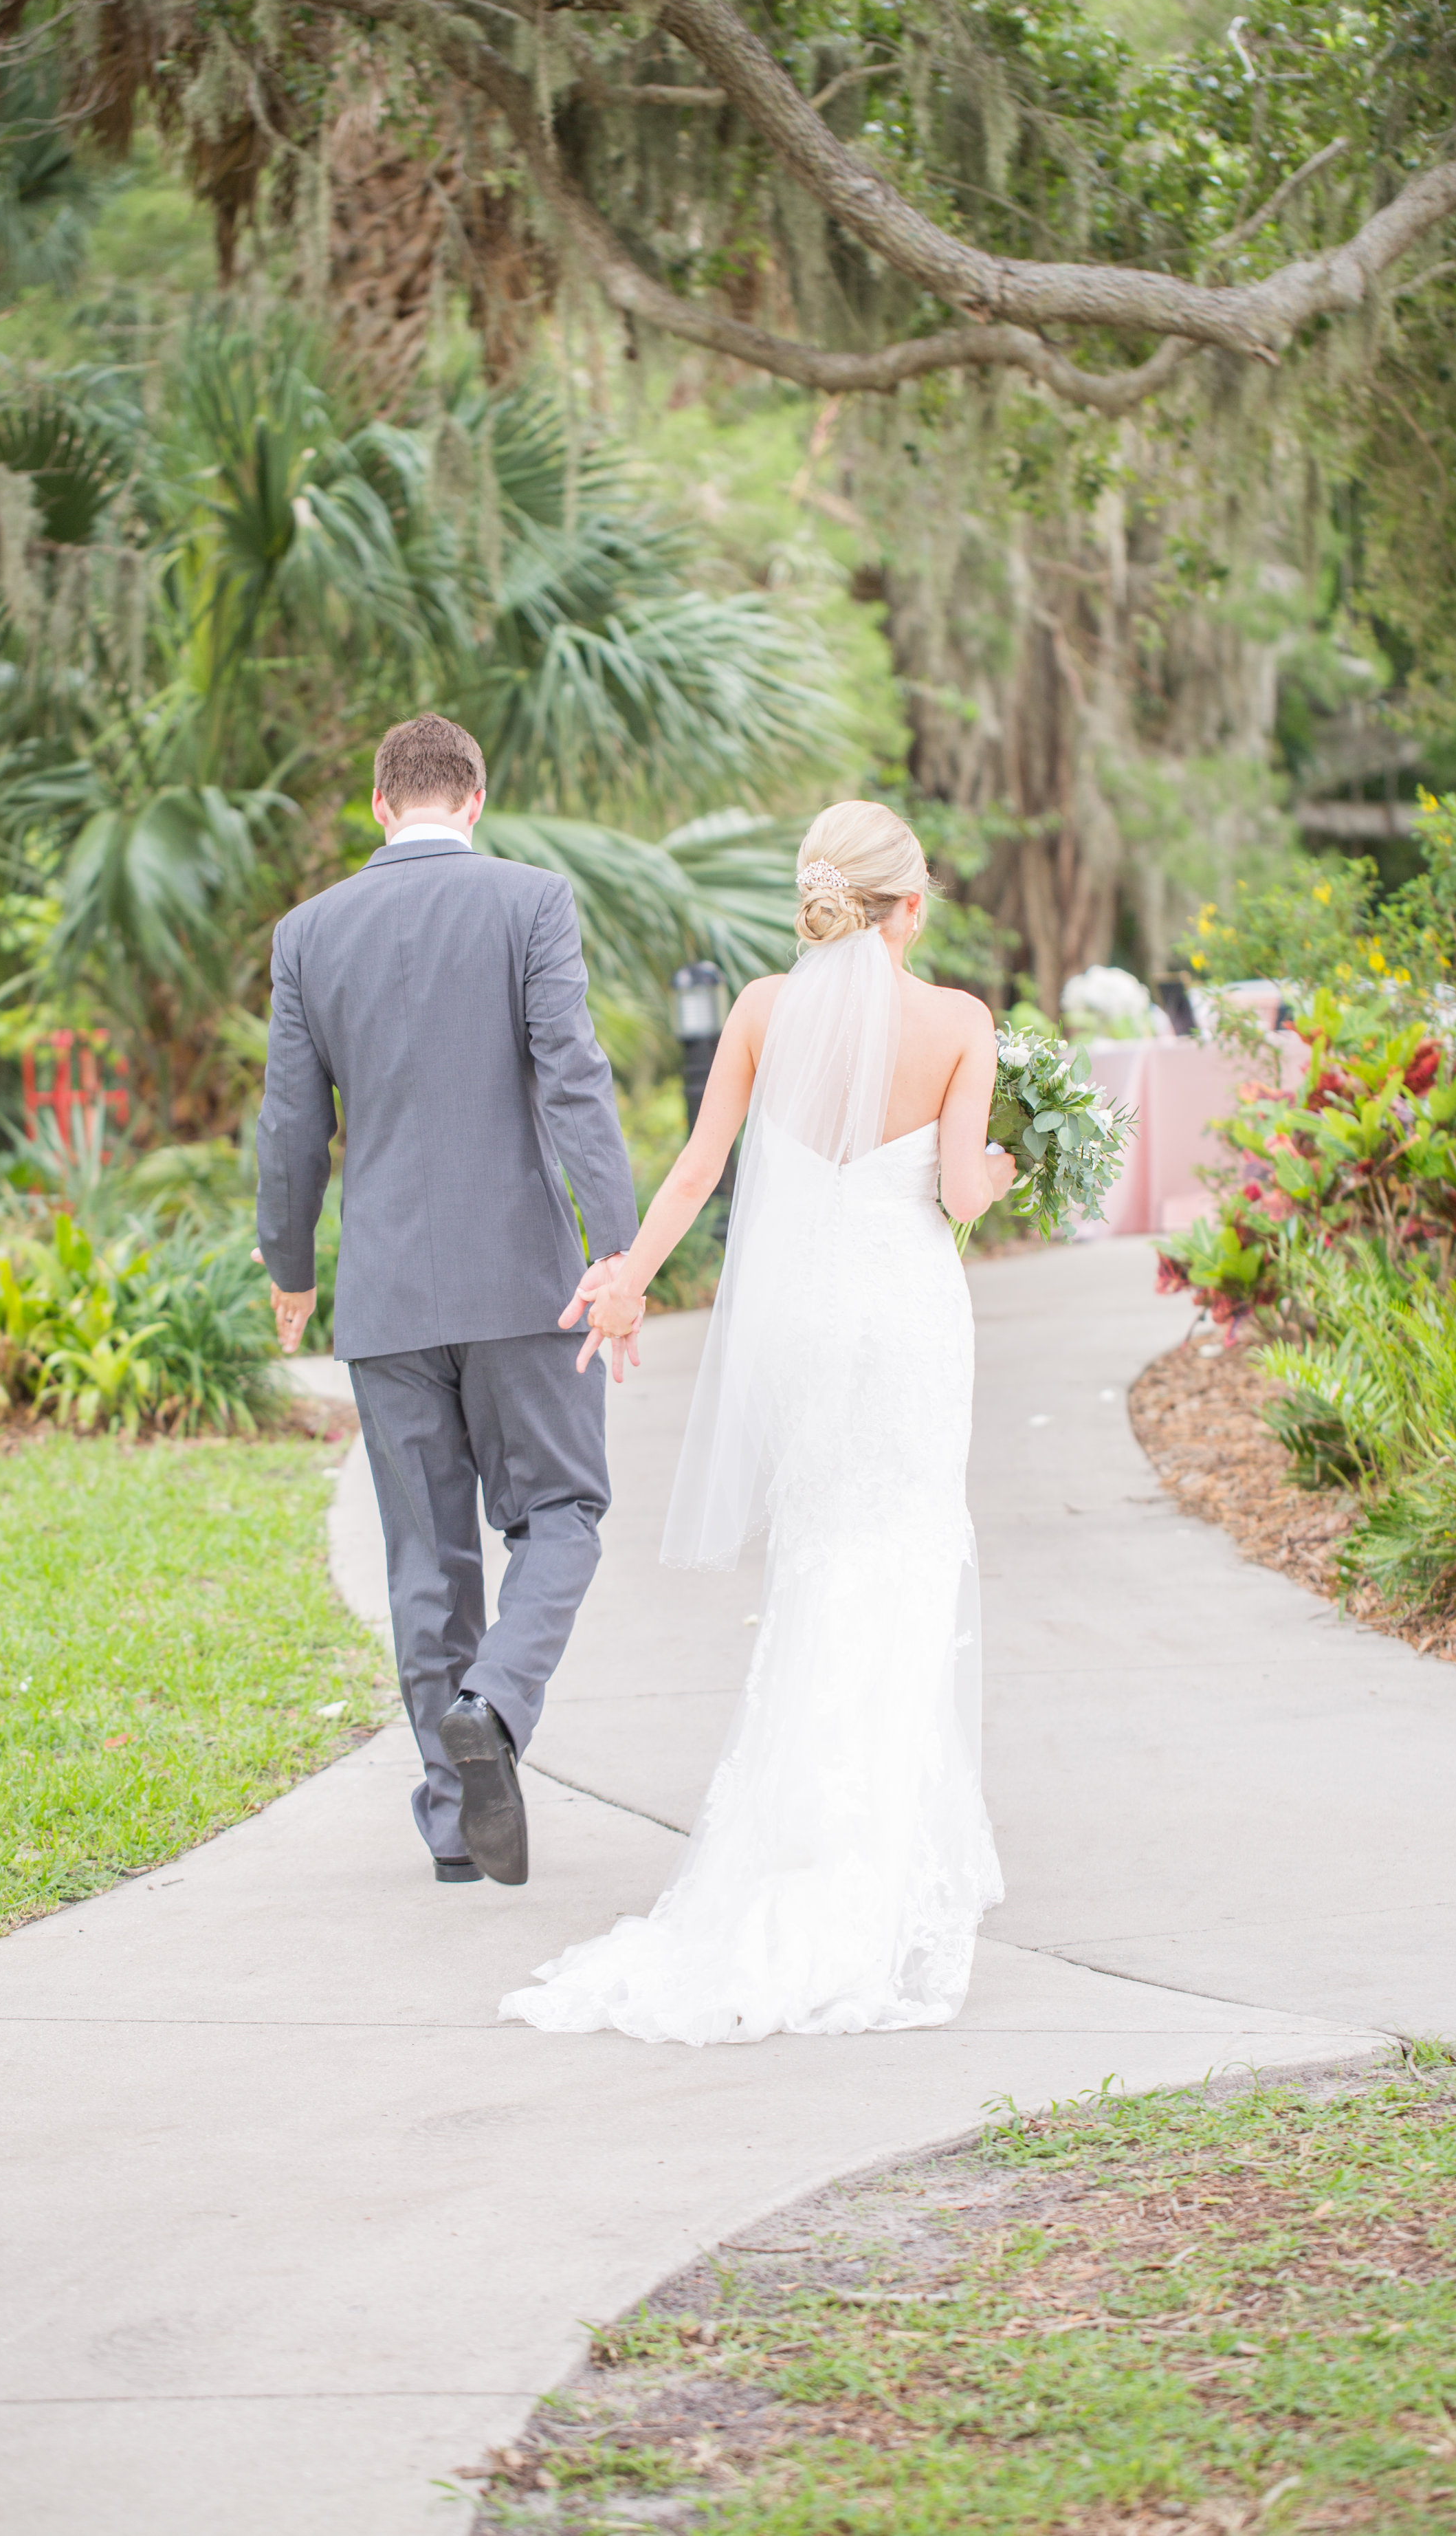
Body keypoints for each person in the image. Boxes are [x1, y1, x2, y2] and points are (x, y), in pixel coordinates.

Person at [500, 801, 1015, 2044]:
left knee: (825, 1559)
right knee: (900, 1561)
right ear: (910, 906)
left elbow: (693, 1173)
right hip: (904, 1326)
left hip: (802, 1331)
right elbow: (958, 1195)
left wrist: (622, 1281)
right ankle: (877, 1862)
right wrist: (1006, 1169)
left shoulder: (760, 1011)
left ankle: (796, 1850)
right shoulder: (960, 1025)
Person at [254, 712, 641, 1889]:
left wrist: (290, 1266)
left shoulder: (308, 933)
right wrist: (618, 1254)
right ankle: (498, 1703)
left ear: (382, 806)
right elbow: (574, 1078)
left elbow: (289, 1127)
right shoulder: (531, 902)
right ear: (475, 799)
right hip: (526, 1281)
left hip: (384, 1297)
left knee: (426, 1559)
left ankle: (448, 1826)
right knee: (564, 1511)